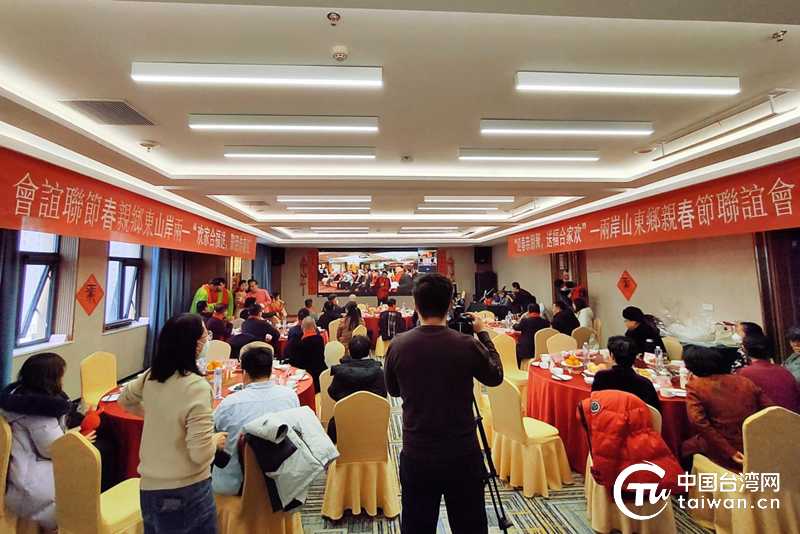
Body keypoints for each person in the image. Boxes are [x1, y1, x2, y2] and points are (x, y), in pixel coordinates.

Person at [384, 273, 503, 533]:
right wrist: (483, 335)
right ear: (450, 305)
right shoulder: (466, 344)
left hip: (417, 452)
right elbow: (496, 377)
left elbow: (393, 390)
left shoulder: (398, 345)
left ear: (415, 304)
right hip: (462, 453)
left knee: (417, 526)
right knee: (469, 526)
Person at [119, 314, 228, 534]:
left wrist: (157, 416)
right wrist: (214, 441)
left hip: (149, 488)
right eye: (205, 336)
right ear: (195, 344)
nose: (207, 341)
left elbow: (125, 399)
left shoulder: (151, 376)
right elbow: (200, 454)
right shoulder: (196, 387)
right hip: (187, 491)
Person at [0, 353, 95, 532]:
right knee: (93, 461)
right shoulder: (39, 411)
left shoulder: (17, 397)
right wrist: (80, 441)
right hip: (31, 483)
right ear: (51, 379)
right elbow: (53, 449)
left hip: (21, 467)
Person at [212, 344, 299, 495]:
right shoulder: (290, 396)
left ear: (244, 373)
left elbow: (211, 433)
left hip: (237, 484)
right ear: (271, 371)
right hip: (282, 481)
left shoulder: (229, 404)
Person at [681, 346, 774, 472]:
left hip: (723, 445)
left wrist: (730, 451)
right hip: (753, 442)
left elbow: (698, 422)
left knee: (684, 448)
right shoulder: (744, 381)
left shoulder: (696, 386)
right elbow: (771, 409)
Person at [327, 335, 387, 442]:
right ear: (369, 352)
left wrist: (349, 402)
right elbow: (383, 395)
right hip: (372, 419)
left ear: (349, 352)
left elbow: (332, 392)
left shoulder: (341, 372)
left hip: (345, 419)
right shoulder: (379, 373)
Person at [591, 336, 661, 412]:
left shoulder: (601, 377)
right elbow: (656, 412)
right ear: (635, 357)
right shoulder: (645, 383)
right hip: (636, 419)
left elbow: (594, 403)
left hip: (606, 418)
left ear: (612, 356)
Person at [736, 334, 800, 413]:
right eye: (793, 341)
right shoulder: (784, 370)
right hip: (792, 417)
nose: (796, 344)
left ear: (744, 350)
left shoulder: (742, 374)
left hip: (762, 418)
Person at [290, 317, 328, 392]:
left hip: (307, 375)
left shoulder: (301, 344)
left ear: (302, 327)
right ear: (315, 326)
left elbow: (296, 362)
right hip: (320, 373)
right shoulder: (320, 339)